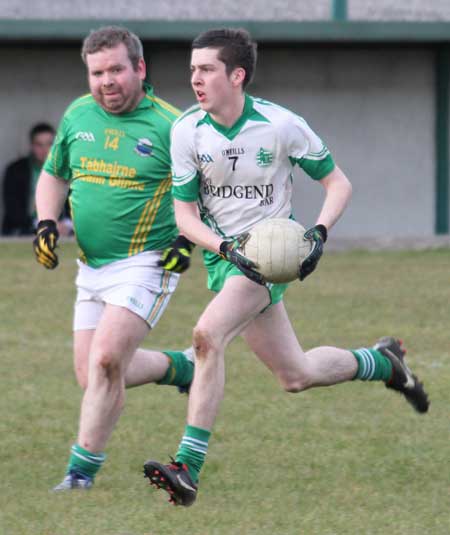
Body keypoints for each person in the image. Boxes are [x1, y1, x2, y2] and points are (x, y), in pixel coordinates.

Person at [143, 28, 430, 507]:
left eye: (207, 69)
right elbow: (184, 216)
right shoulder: (186, 131)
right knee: (295, 375)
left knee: (207, 337)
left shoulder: (281, 125)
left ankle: (187, 468)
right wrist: (224, 248)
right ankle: (384, 362)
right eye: (193, 69)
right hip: (228, 259)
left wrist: (317, 233)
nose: (195, 78)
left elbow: (338, 184)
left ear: (237, 75)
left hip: (267, 262)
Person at [33, 25, 196, 491]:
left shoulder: (173, 125)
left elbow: (204, 193)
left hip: (148, 261)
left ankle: (79, 475)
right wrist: (46, 221)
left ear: (140, 69)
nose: (107, 81)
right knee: (91, 375)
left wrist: (186, 241)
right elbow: (53, 176)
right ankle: (181, 367)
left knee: (106, 361)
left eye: (117, 70)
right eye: (97, 72)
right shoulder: (78, 114)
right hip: (91, 266)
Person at [1, 123, 72, 236]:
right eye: (39, 145)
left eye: (50, 144)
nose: (45, 150)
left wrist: (67, 224)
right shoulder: (16, 170)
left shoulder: (67, 169)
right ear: (31, 146)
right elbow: (13, 209)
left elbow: (77, 203)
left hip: (61, 230)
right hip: (24, 230)